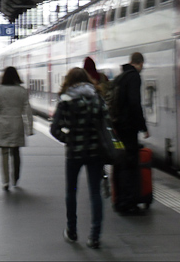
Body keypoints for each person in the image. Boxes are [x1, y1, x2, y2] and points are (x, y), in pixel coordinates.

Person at [50, 67, 107, 249]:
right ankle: (94, 236)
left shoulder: (66, 99)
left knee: (71, 192)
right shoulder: (97, 98)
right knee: (95, 193)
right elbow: (107, 123)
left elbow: (54, 129)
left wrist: (69, 139)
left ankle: (72, 231)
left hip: (74, 154)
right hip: (95, 153)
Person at [112, 52, 149, 214]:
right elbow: (135, 103)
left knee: (119, 164)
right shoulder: (134, 77)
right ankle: (129, 204)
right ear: (140, 63)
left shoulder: (120, 77)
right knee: (130, 165)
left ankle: (119, 201)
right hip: (128, 129)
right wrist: (143, 126)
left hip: (118, 127)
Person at [0, 67, 34, 191]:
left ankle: (5, 181)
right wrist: (29, 128)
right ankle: (16, 178)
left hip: (2, 123)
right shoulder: (22, 91)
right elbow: (27, 110)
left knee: (3, 153)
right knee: (16, 152)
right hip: (16, 123)